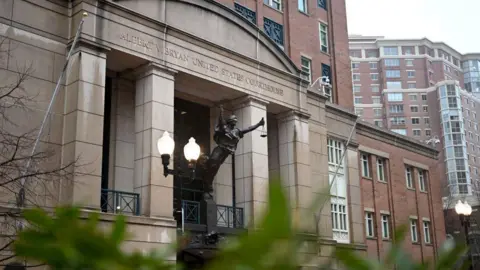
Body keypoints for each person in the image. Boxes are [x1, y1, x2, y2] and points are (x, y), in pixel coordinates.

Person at [203, 105, 264, 197]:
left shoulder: (237, 131)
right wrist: (221, 112)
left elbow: (248, 129)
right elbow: (221, 122)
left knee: (215, 168)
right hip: (219, 149)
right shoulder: (224, 128)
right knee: (212, 162)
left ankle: (208, 182)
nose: (234, 123)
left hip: (225, 153)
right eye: (233, 122)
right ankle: (205, 167)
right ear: (229, 122)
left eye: (235, 122)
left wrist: (259, 124)